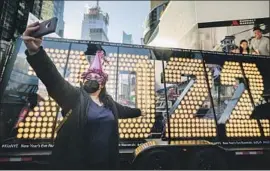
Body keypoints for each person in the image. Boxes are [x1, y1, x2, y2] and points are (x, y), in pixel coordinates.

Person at [22, 22, 143, 170]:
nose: (92, 79)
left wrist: (143, 111)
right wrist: (35, 52)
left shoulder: (108, 102)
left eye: (96, 77)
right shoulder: (73, 96)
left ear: (103, 83)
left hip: (106, 163)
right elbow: (52, 78)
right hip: (77, 164)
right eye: (88, 77)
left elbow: (125, 111)